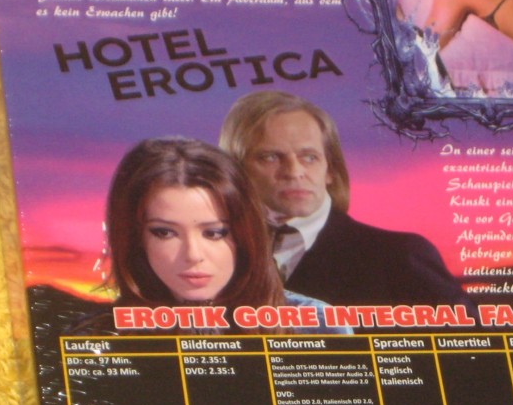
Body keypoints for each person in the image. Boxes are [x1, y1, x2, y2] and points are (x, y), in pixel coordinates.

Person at [219, 91, 474, 310]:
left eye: (309, 157)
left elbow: (474, 346)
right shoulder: (216, 255)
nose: (294, 172)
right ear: (236, 169)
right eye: (270, 157)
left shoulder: (400, 257)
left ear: (330, 169)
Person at [98, 136, 345, 335]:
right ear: (136, 238)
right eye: (165, 232)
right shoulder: (100, 335)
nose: (193, 255)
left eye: (214, 233)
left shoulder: (315, 323)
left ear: (246, 234)